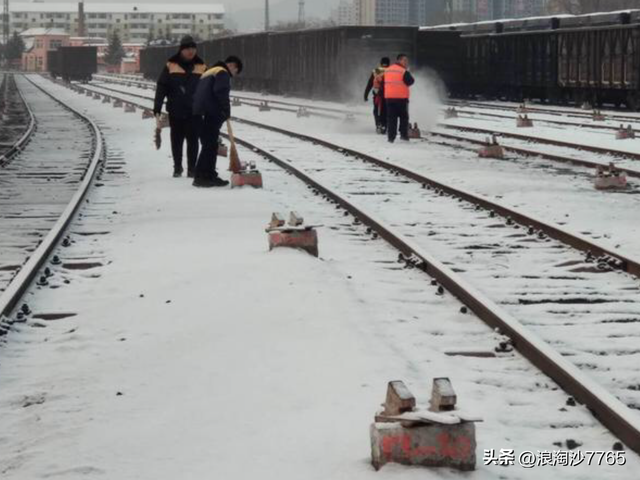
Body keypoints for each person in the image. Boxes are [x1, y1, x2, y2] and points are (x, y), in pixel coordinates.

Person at [154, 35, 207, 178]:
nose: (191, 51)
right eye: (187, 49)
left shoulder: (201, 66)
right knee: (176, 140)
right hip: (176, 109)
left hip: (194, 110)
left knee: (193, 140)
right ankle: (177, 167)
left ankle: (192, 168)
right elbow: (162, 85)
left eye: (193, 48)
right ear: (181, 50)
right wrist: (157, 104)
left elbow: (207, 88)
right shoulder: (171, 65)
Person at [192, 55, 244, 188]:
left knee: (210, 145)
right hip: (210, 113)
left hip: (201, 113)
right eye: (235, 72)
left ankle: (209, 175)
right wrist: (226, 111)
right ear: (232, 66)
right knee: (209, 145)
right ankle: (201, 177)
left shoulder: (209, 71)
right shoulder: (222, 72)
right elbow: (221, 92)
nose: (233, 75)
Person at [384, 53, 415, 143]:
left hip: (389, 98)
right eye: (404, 60)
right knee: (404, 117)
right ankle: (404, 135)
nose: (406, 62)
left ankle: (391, 137)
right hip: (401, 98)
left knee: (391, 118)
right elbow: (411, 81)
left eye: (407, 60)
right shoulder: (403, 71)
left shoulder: (388, 70)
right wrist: (407, 72)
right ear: (399, 60)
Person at [364, 57, 390, 134]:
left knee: (377, 110)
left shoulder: (376, 71)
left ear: (380, 63)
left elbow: (370, 83)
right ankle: (385, 125)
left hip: (377, 94)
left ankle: (378, 124)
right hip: (389, 95)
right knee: (387, 111)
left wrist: (365, 94)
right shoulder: (391, 70)